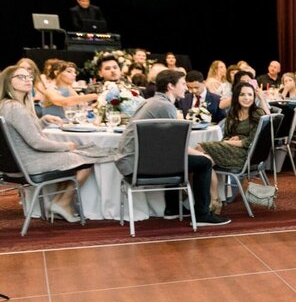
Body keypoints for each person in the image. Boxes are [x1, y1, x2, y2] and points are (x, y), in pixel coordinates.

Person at [117, 69, 230, 226]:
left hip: (131, 163)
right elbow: (176, 146)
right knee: (203, 163)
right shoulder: (165, 106)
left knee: (172, 158)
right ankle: (202, 214)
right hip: (137, 165)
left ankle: (173, 209)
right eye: (183, 84)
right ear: (171, 86)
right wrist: (203, 156)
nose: (186, 88)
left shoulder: (151, 101)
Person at [0, 64, 105, 222]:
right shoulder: (15, 108)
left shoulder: (6, 105)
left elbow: (21, 134)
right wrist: (66, 146)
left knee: (76, 156)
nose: (28, 80)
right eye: (21, 77)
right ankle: (63, 203)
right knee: (88, 158)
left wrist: (43, 121)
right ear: (8, 82)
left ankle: (57, 203)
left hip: (17, 163)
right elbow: (36, 143)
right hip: (29, 164)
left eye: (29, 76)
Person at [198, 80, 266, 176]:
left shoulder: (257, 113)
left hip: (244, 155)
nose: (247, 98)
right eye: (242, 94)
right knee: (206, 163)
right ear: (236, 97)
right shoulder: (233, 111)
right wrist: (231, 139)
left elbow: (250, 142)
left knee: (200, 148)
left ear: (254, 97)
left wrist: (227, 142)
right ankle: (212, 191)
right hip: (232, 149)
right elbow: (227, 135)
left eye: (250, 95)